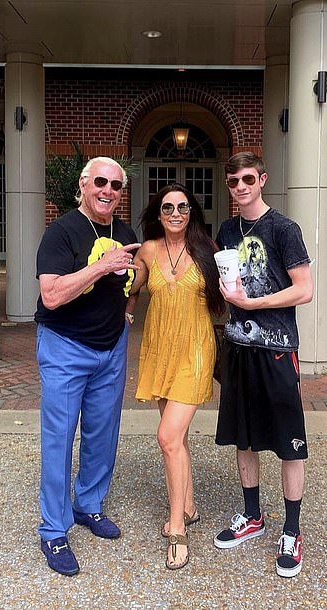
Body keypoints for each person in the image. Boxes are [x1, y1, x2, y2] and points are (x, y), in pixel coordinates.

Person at [34, 156, 140, 576]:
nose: (108, 191)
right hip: (65, 346)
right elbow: (52, 296)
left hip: (111, 348)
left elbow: (134, 278)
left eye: (116, 186)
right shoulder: (60, 232)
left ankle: (89, 505)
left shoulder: (125, 232)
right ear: (83, 183)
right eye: (101, 182)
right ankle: (53, 530)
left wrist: (127, 310)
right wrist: (101, 266)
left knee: (103, 433)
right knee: (59, 439)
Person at [212, 152, 314, 578]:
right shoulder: (226, 230)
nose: (240, 187)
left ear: (262, 179)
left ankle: (292, 530)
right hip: (239, 347)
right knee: (245, 437)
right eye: (233, 181)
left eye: (247, 179)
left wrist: (254, 303)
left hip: (276, 348)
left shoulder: (284, 228)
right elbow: (227, 285)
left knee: (289, 442)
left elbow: (304, 290)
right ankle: (252, 516)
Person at [126, 183, 225, 570]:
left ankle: (177, 527)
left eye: (183, 207)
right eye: (168, 208)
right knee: (177, 437)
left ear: (192, 212)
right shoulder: (148, 249)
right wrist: (126, 307)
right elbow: (132, 288)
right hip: (159, 350)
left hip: (195, 350)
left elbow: (232, 289)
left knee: (166, 437)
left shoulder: (207, 249)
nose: (176, 214)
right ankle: (190, 504)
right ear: (159, 212)